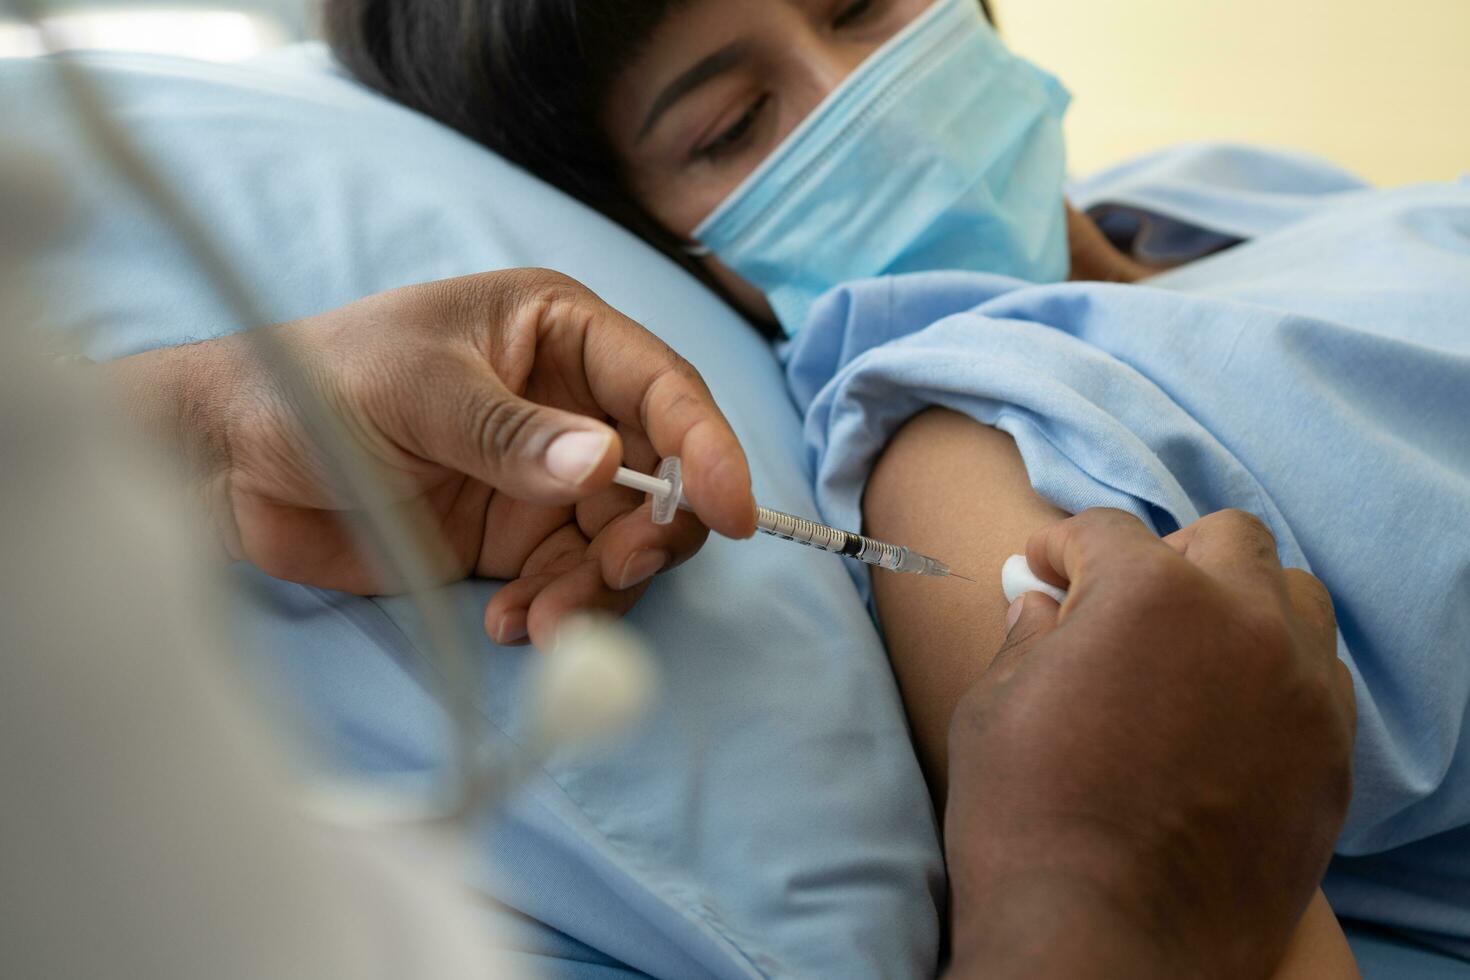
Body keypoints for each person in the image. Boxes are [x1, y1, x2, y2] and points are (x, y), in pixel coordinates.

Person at [323, 0, 1470, 967]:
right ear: (652, 242)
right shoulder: (958, 436)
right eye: (733, 124)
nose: (855, 85)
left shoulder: (1217, 185)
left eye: (864, 0)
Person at [89, 267, 1356, 978]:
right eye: (731, 123)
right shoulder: (942, 422)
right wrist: (1102, 893)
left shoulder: (1240, 198)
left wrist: (202, 422)